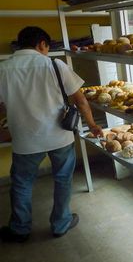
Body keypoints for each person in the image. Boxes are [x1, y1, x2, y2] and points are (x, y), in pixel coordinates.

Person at [0, 26, 103, 242]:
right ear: (41, 44)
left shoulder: (4, 69)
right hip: (60, 136)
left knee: (22, 183)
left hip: (25, 139)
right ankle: (60, 223)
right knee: (63, 179)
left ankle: (20, 229)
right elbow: (80, 99)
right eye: (47, 47)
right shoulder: (55, 65)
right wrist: (92, 124)